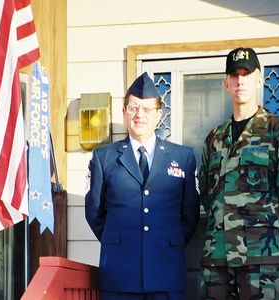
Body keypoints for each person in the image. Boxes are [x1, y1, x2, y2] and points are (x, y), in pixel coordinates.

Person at [198, 47, 279, 299]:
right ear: (226, 84)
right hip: (217, 260)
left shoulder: (277, 131)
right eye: (234, 75)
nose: (240, 81)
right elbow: (206, 191)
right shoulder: (214, 139)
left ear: (259, 79)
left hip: (262, 260)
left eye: (247, 74)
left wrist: (272, 228)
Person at [85, 72, 200, 300]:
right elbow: (94, 213)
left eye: (147, 109)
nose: (140, 115)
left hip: (166, 270)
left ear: (159, 115)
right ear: (124, 113)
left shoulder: (184, 157)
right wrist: (121, 240)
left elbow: (190, 215)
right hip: (119, 273)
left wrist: (166, 242)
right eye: (133, 108)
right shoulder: (103, 157)